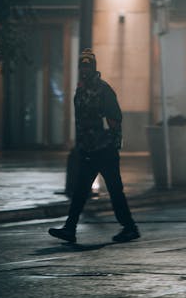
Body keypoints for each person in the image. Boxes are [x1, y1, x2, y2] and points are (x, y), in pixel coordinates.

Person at [49, 49, 140, 244]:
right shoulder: (80, 91)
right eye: (82, 66)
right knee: (80, 190)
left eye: (88, 65)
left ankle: (130, 228)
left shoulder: (103, 89)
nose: (85, 69)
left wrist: (112, 142)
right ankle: (70, 228)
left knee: (115, 190)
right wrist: (82, 144)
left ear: (94, 67)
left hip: (105, 149)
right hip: (88, 149)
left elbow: (115, 118)